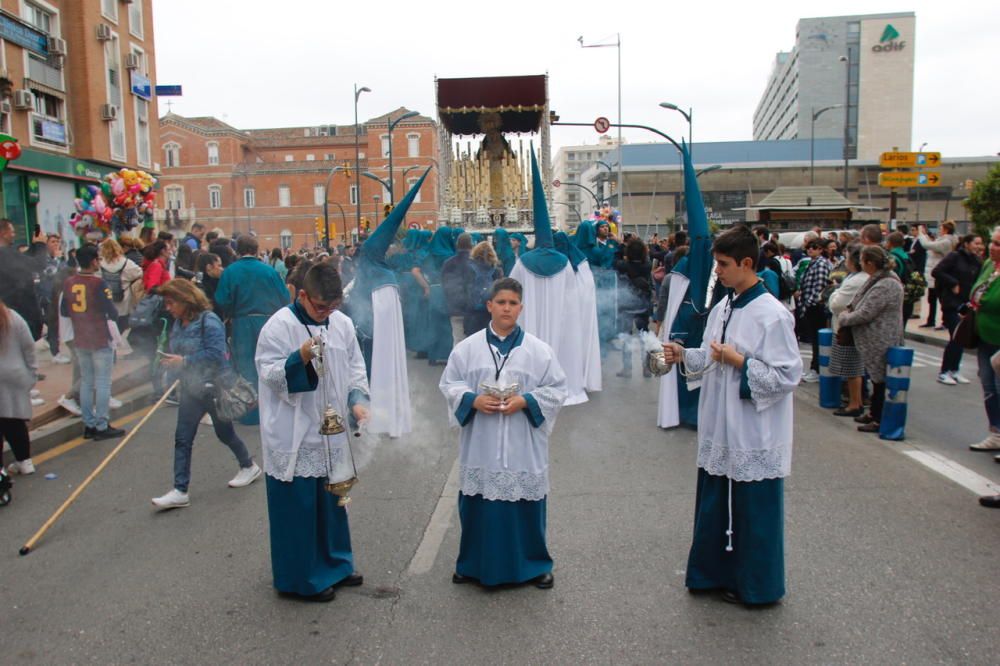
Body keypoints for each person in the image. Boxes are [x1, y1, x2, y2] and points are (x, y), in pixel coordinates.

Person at [661, 225, 801, 605]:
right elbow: (710, 355)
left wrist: (738, 360)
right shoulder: (724, 306)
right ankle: (711, 575)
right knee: (714, 505)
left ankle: (757, 586)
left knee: (753, 513)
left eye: (723, 265)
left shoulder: (772, 315)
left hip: (753, 431)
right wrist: (683, 354)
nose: (717, 272)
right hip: (720, 425)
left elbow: (787, 376)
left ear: (747, 263)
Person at [440, 277, 567, 588]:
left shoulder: (539, 351)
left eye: (512, 303)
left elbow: (558, 388)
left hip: (522, 442)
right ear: (489, 306)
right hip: (481, 442)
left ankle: (535, 565)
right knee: (478, 505)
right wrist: (472, 399)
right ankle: (471, 564)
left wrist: (526, 400)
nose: (506, 308)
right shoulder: (467, 349)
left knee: (525, 505)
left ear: (521, 308)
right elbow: (449, 384)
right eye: (501, 302)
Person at [256, 262, 371, 602]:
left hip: (331, 432)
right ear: (302, 295)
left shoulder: (342, 323)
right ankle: (303, 579)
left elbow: (354, 366)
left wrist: (357, 400)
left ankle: (337, 564)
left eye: (333, 307)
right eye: (320, 307)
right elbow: (269, 374)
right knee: (300, 508)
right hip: (294, 430)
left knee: (334, 502)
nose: (326, 314)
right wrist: (300, 358)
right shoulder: (278, 327)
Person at [151, 279, 261, 510]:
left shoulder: (208, 321)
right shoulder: (179, 323)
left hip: (215, 387)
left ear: (185, 299)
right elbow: (179, 353)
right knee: (183, 438)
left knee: (225, 433)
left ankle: (248, 466)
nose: (168, 308)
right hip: (193, 387)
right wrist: (174, 368)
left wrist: (185, 361)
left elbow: (217, 354)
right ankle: (180, 490)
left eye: (171, 303)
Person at [214, 234, 290, 425]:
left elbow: (222, 299)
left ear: (238, 250)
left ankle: (251, 413)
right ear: (256, 250)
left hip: (242, 323)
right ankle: (272, 410)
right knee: (270, 363)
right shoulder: (269, 271)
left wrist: (231, 312)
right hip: (268, 323)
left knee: (247, 365)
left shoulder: (230, 271)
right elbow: (284, 297)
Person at [60, 244, 126, 441]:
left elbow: (64, 311)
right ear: (93, 261)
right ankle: (101, 424)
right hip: (98, 336)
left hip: (80, 337)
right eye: (97, 258)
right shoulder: (99, 284)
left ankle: (88, 424)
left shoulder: (69, 282)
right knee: (103, 382)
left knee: (87, 381)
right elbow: (112, 311)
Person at [837, 246, 905, 434]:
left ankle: (878, 417)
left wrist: (844, 318)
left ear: (870, 263)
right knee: (876, 379)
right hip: (876, 337)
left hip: (882, 337)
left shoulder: (886, 283)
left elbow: (866, 312)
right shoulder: (878, 279)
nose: (860, 263)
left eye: (863, 260)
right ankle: (874, 413)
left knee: (880, 380)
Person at [932, 234, 983, 385]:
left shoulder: (977, 261)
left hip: (966, 304)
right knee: (956, 336)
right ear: (966, 244)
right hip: (951, 303)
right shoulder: (954, 256)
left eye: (981, 244)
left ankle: (954, 370)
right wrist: (953, 283)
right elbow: (937, 272)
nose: (979, 247)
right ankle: (944, 371)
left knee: (962, 337)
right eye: (976, 243)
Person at [968, 227, 1000, 459]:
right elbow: (977, 292)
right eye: (993, 242)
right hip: (984, 335)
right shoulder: (989, 265)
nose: (992, 247)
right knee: (989, 386)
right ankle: (996, 432)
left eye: (998, 244)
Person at [827, 245, 868, 416]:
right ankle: (855, 401)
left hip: (848, 329)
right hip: (848, 327)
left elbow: (836, 303)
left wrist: (834, 293)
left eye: (848, 257)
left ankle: (854, 403)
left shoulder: (857, 280)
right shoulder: (856, 277)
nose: (845, 261)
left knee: (852, 368)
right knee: (853, 369)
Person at [0, 299, 38, 475]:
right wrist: (32, 372)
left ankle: (1, 471)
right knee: (15, 420)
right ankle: (25, 462)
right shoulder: (13, 317)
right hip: (16, 374)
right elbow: (29, 346)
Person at [614, 238, 653, 378]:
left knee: (626, 336)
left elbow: (615, 258)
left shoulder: (623, 265)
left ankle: (627, 368)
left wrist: (620, 246)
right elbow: (647, 258)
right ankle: (647, 367)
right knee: (645, 336)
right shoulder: (647, 265)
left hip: (626, 306)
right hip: (643, 305)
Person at [796, 240, 831, 383]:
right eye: (808, 247)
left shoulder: (821, 264)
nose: (810, 250)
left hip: (815, 308)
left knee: (817, 340)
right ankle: (814, 368)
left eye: (814, 247)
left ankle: (816, 369)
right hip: (809, 305)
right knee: (815, 340)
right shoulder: (813, 263)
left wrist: (809, 303)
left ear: (821, 249)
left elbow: (820, 287)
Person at [918, 221, 957, 329]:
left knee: (941, 299)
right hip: (935, 274)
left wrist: (921, 234)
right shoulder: (944, 240)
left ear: (946, 230)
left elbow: (927, 245)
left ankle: (945, 322)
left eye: (941, 228)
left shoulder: (946, 242)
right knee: (932, 298)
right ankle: (931, 320)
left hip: (939, 274)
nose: (939, 230)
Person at [99, 238, 143, 332]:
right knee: (121, 327)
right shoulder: (126, 263)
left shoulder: (99, 264)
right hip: (123, 303)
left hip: (105, 303)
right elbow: (140, 273)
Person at [442, 233, 477, 345]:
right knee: (473, 341)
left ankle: (457, 361)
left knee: (458, 339)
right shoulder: (475, 262)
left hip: (455, 308)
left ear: (457, 245)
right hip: (473, 309)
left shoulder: (448, 263)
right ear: (471, 245)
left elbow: (445, 284)